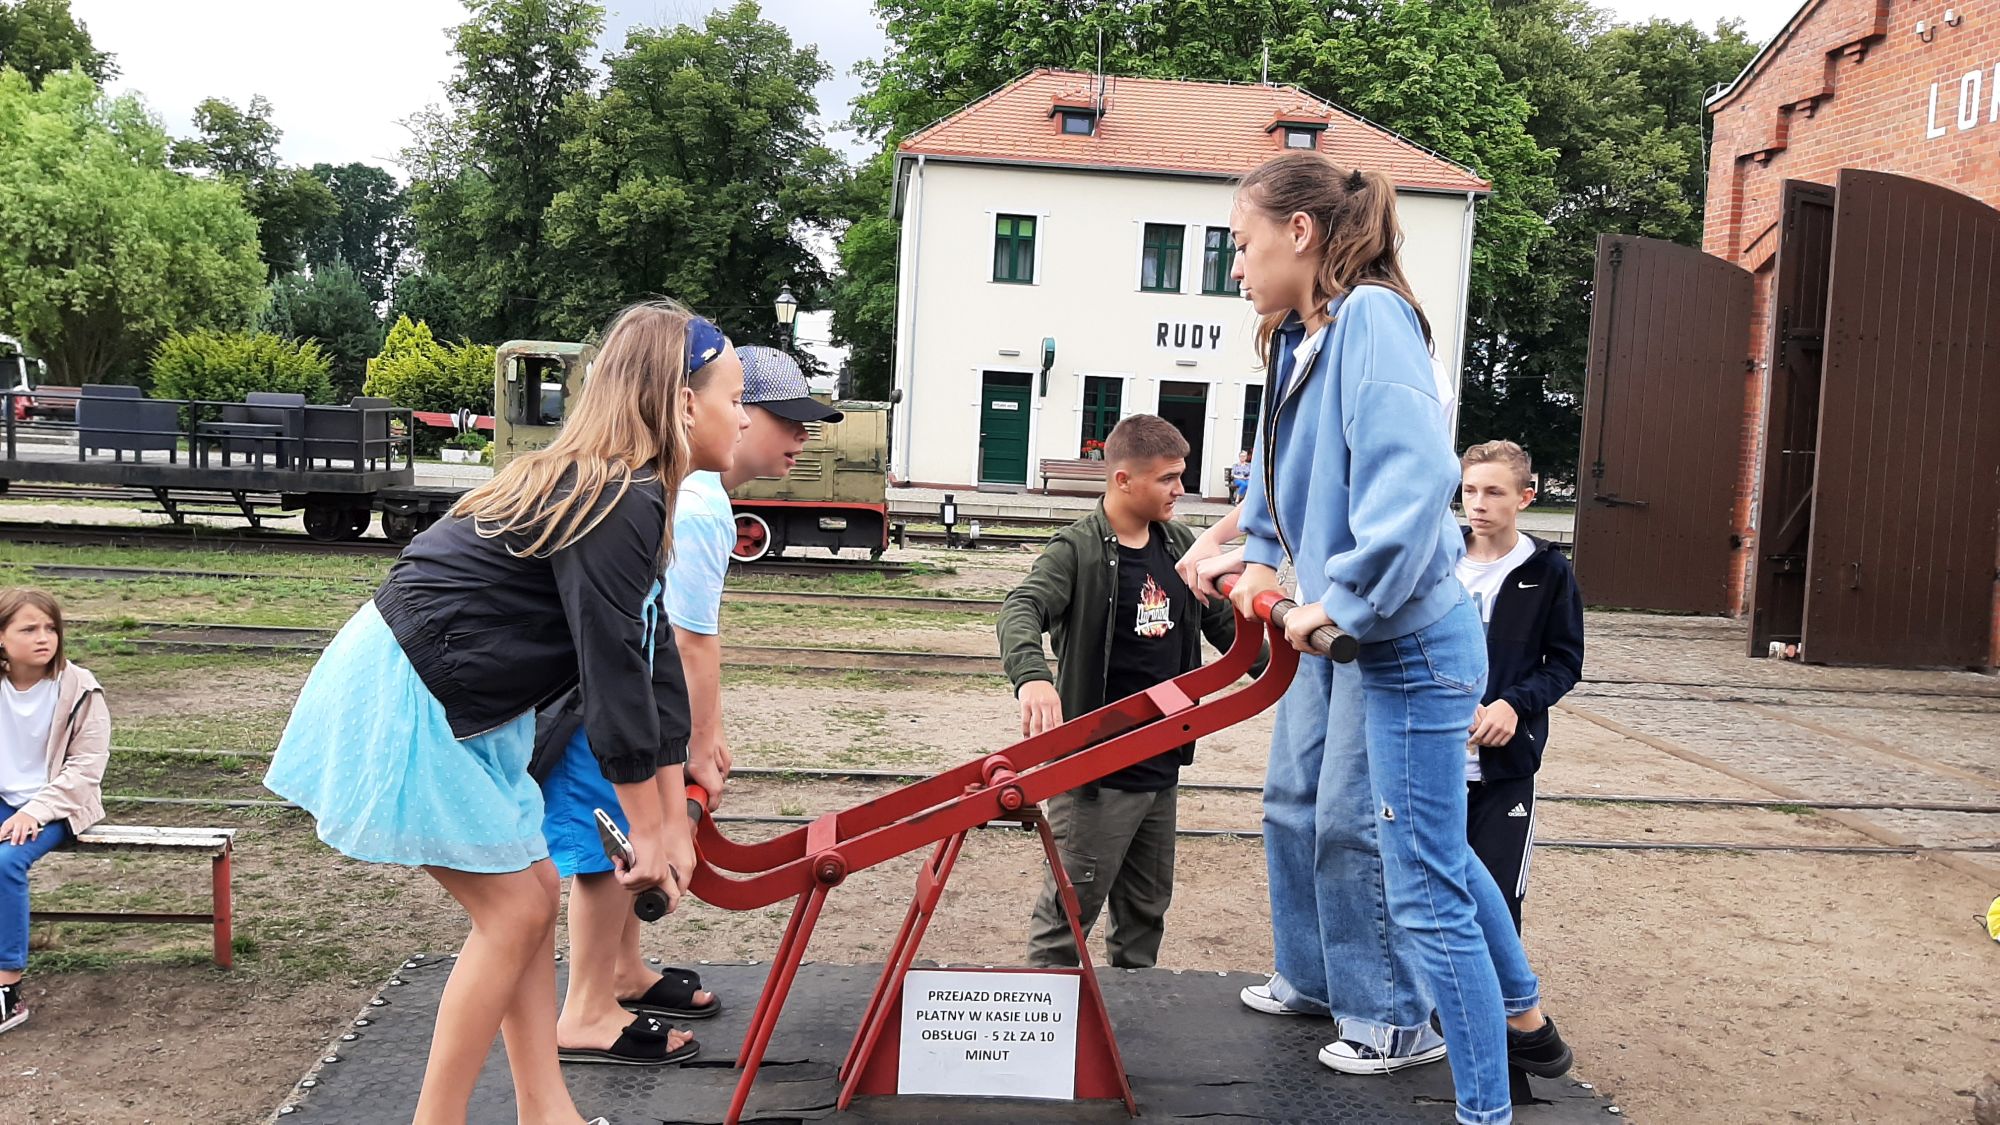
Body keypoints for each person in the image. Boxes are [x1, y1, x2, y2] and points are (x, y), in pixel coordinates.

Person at [265, 300, 747, 1125]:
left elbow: (653, 658)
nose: (744, 414)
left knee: (532, 885)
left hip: (467, 696)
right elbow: (610, 675)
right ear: (681, 401)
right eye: (735, 396)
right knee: (517, 907)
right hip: (417, 688)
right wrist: (650, 824)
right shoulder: (617, 496)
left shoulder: (636, 493)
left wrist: (673, 820)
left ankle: (546, 1110)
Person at [1198, 152, 1571, 1125]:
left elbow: (1409, 486)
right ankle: (1377, 986)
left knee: (1400, 859)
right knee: (1298, 804)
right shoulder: (1295, 337)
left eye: (1240, 245)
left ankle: (1418, 1026)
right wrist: (1266, 561)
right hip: (1338, 621)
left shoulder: (1370, 319)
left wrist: (1340, 602)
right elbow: (1279, 473)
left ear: (1299, 233)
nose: (1233, 266)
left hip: (1384, 628)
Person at [535, 345, 839, 1064]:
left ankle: (623, 970)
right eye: (781, 418)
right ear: (719, 410)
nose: (802, 437)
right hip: (597, 702)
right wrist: (698, 745)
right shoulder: (699, 507)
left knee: (621, 836)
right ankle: (586, 1008)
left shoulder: (691, 494)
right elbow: (685, 640)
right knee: (603, 844)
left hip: (615, 692)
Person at [999, 414, 1251, 969]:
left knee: (1144, 914)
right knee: (1068, 915)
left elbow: (1229, 632)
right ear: (1122, 481)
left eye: (1180, 476)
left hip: (1161, 768)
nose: (1179, 491)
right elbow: (1022, 606)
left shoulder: (1181, 545)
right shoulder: (1078, 550)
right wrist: (1033, 676)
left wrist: (1298, 669)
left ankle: (1128, 1031)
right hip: (1097, 774)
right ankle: (1050, 1041)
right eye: (1167, 479)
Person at [1456, 440, 1583, 932]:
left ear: (1525, 498)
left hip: (1504, 765)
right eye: (1469, 491)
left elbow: (1565, 662)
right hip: (1430, 759)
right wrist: (1450, 701)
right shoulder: (1439, 560)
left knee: (1495, 898)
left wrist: (1512, 704)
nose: (1479, 504)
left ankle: (1501, 1006)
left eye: (1494, 492)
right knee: (1419, 893)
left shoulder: (1548, 570)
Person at [0, 589, 107, 1036]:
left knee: (6, 863)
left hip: (58, 806)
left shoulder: (80, 688)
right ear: (1, 638)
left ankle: (7, 990)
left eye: (50, 628)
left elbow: (86, 769)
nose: (44, 638)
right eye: (29, 629)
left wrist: (37, 811)